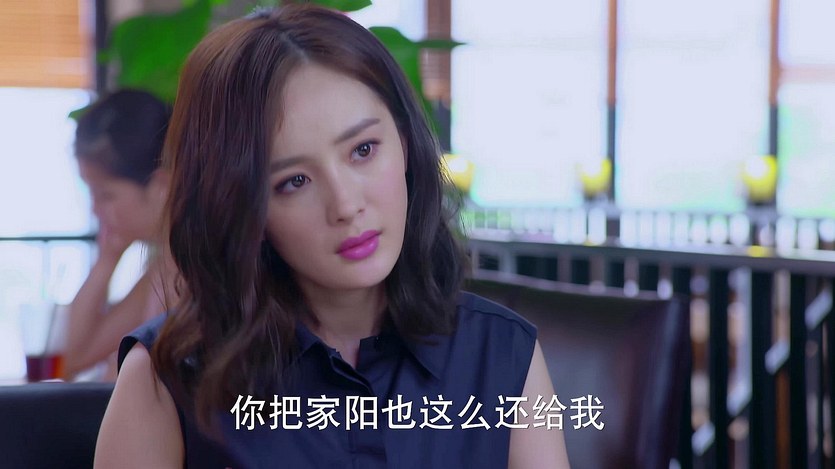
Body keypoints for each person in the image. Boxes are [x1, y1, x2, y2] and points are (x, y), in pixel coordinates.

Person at [95, 5, 570, 468]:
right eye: (294, 181)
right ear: (243, 206)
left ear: (405, 143)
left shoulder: (501, 354)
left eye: (363, 150)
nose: (345, 205)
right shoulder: (167, 380)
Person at [64, 89, 177, 381]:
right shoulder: (163, 269)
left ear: (161, 188)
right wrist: (107, 259)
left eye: (106, 195)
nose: (95, 209)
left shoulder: (185, 273)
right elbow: (74, 357)